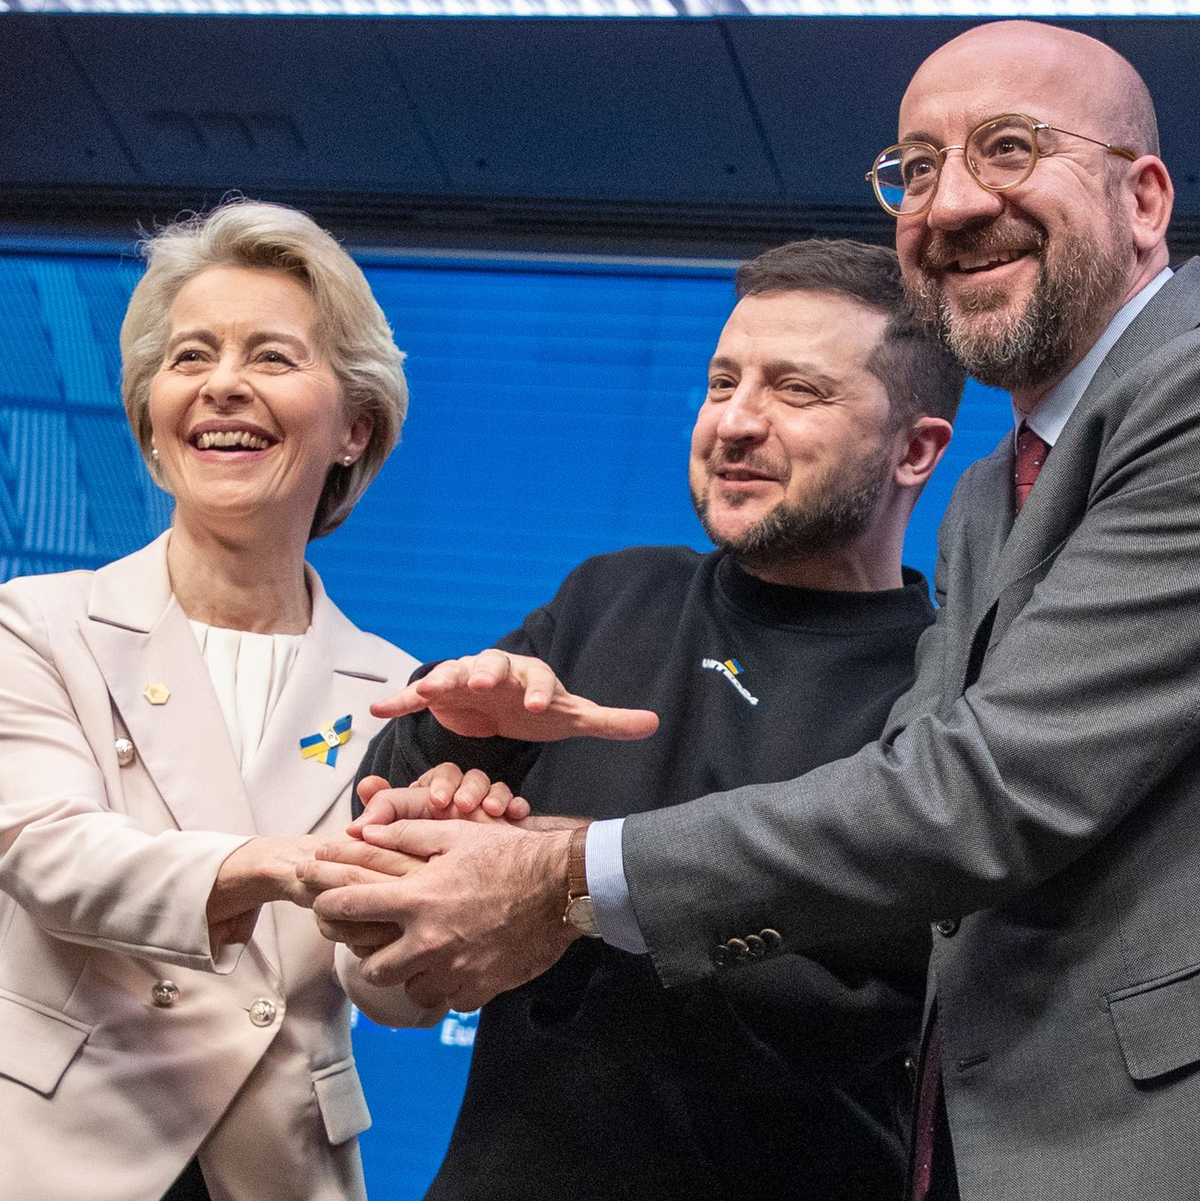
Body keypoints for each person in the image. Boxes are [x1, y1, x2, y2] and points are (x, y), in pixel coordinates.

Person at [304, 20, 1200, 1201]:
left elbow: (968, 813)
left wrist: (557, 888)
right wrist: (457, 761)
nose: (952, 200)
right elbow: (380, 871)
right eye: (915, 169)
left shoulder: (1171, 399)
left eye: (1010, 146)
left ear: (1144, 198)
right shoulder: (989, 498)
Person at [324, 238, 963, 1200]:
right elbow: (378, 846)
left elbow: (869, 994)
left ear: (914, 449)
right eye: (721, 381)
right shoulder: (610, 594)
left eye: (795, 391)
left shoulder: (941, 685)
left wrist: (560, 892)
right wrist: (457, 738)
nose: (734, 423)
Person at [0, 200, 433, 1201]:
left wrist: (417, 928)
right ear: (153, 415)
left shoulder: (400, 691)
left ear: (354, 426)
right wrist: (280, 864)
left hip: (276, 1167)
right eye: (190, 358)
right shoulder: (35, 623)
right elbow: (49, 854)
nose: (223, 386)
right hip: (57, 1150)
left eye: (273, 358)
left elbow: (390, 988)